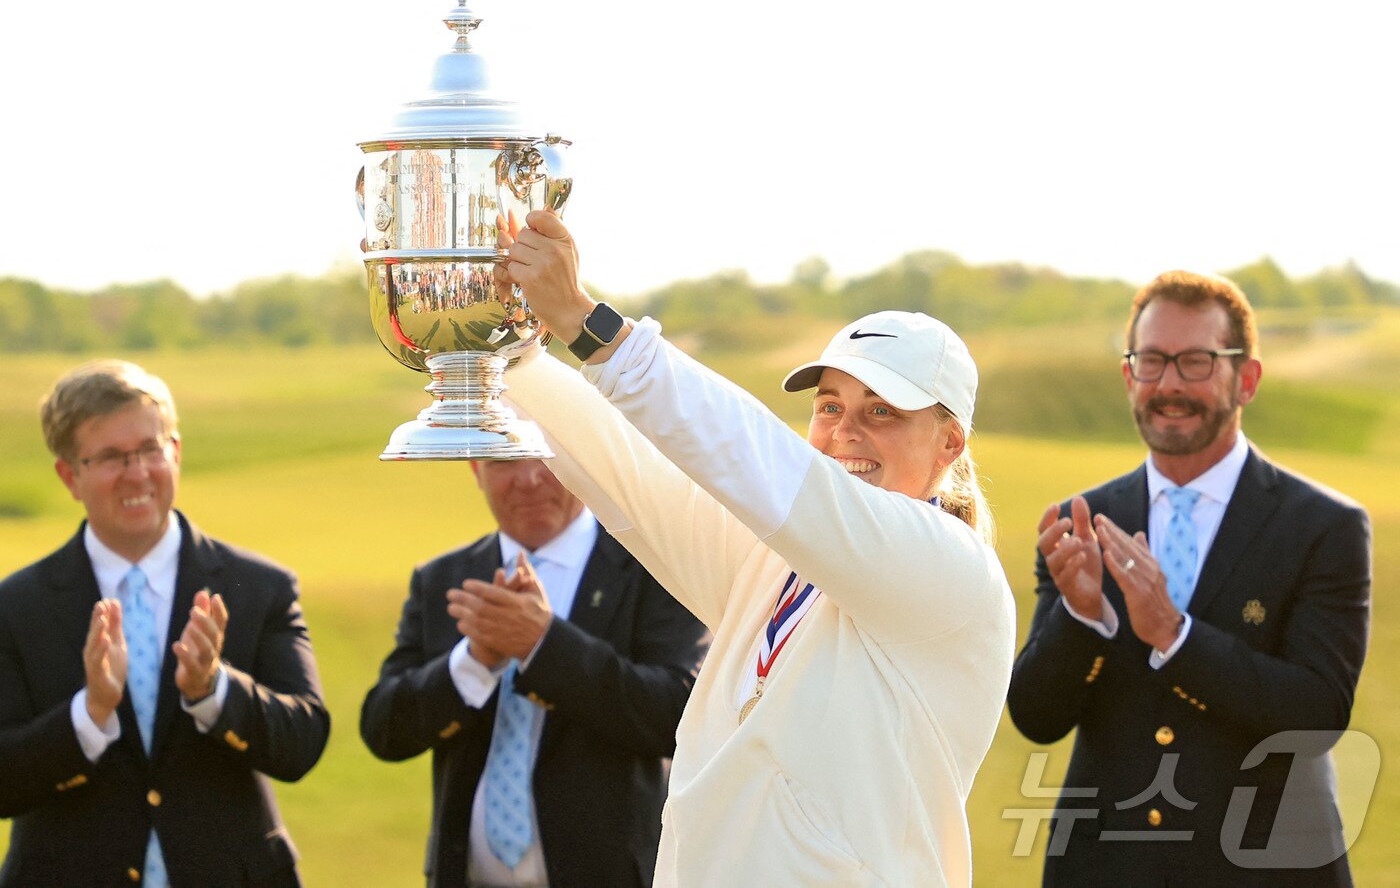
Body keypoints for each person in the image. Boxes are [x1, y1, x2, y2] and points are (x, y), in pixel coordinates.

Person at [486, 210, 1015, 885]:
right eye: (830, 405)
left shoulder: (949, 568)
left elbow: (755, 456)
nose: (845, 431)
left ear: (950, 444)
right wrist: (509, 352)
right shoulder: (779, 560)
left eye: (882, 410)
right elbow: (636, 478)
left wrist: (590, 327)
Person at [1006, 271, 1371, 885]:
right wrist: (1083, 617)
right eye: (1151, 362)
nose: (1169, 384)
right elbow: (1036, 718)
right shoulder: (1083, 523)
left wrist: (1174, 635)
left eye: (1196, 362)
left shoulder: (1324, 527)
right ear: (1129, 376)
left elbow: (1317, 717)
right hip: (1105, 868)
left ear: (1246, 378)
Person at [0, 360, 330, 886]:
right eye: (111, 457)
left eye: (151, 450)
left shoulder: (259, 586)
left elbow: (302, 742)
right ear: (69, 476)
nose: (138, 474)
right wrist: (89, 714)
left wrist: (214, 690)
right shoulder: (15, 607)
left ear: (175, 452)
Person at [359, 442, 709, 888]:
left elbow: (678, 717)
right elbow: (385, 730)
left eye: (545, 455)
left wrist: (544, 646)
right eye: (503, 458)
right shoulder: (442, 578)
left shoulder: (655, 566)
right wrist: (472, 662)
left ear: (582, 460)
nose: (527, 478)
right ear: (475, 469)